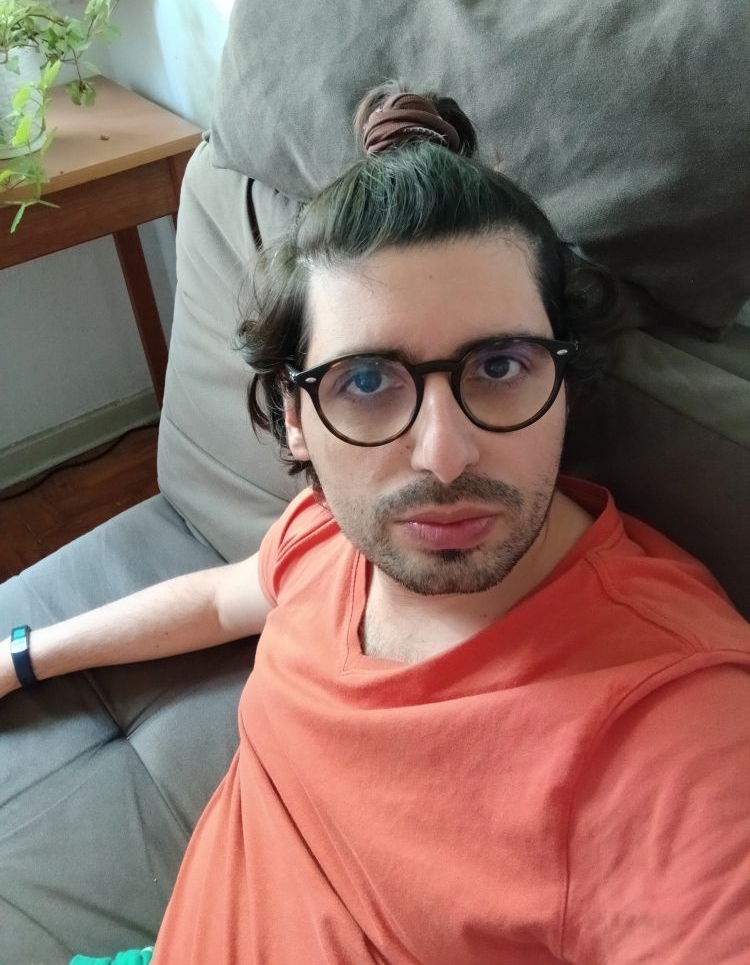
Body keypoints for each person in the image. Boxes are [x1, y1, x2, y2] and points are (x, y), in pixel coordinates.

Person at [2, 81, 749, 965]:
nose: (444, 456)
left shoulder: (675, 723)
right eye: (366, 381)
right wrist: (23, 655)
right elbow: (222, 600)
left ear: (564, 383)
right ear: (295, 418)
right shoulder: (328, 530)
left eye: (499, 366)